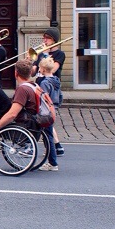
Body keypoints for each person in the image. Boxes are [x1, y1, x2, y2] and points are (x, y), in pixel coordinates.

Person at [0, 61, 41, 157]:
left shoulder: (22, 89)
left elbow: (12, 114)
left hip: (22, 124)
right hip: (33, 124)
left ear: (16, 73)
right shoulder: (34, 86)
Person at [31, 27, 66, 156]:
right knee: (44, 118)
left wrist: (45, 55)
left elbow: (53, 69)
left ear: (54, 40)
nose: (44, 40)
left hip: (50, 88)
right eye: (44, 38)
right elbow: (33, 72)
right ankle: (57, 146)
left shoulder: (59, 54)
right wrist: (29, 61)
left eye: (47, 38)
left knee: (44, 117)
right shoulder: (40, 53)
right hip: (39, 86)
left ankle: (32, 145)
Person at [35, 57, 62, 171]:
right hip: (53, 109)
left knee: (48, 136)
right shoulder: (56, 80)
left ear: (44, 69)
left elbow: (43, 98)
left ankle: (53, 163)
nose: (39, 70)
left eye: (40, 68)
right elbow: (60, 96)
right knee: (48, 135)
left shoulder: (45, 83)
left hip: (46, 111)